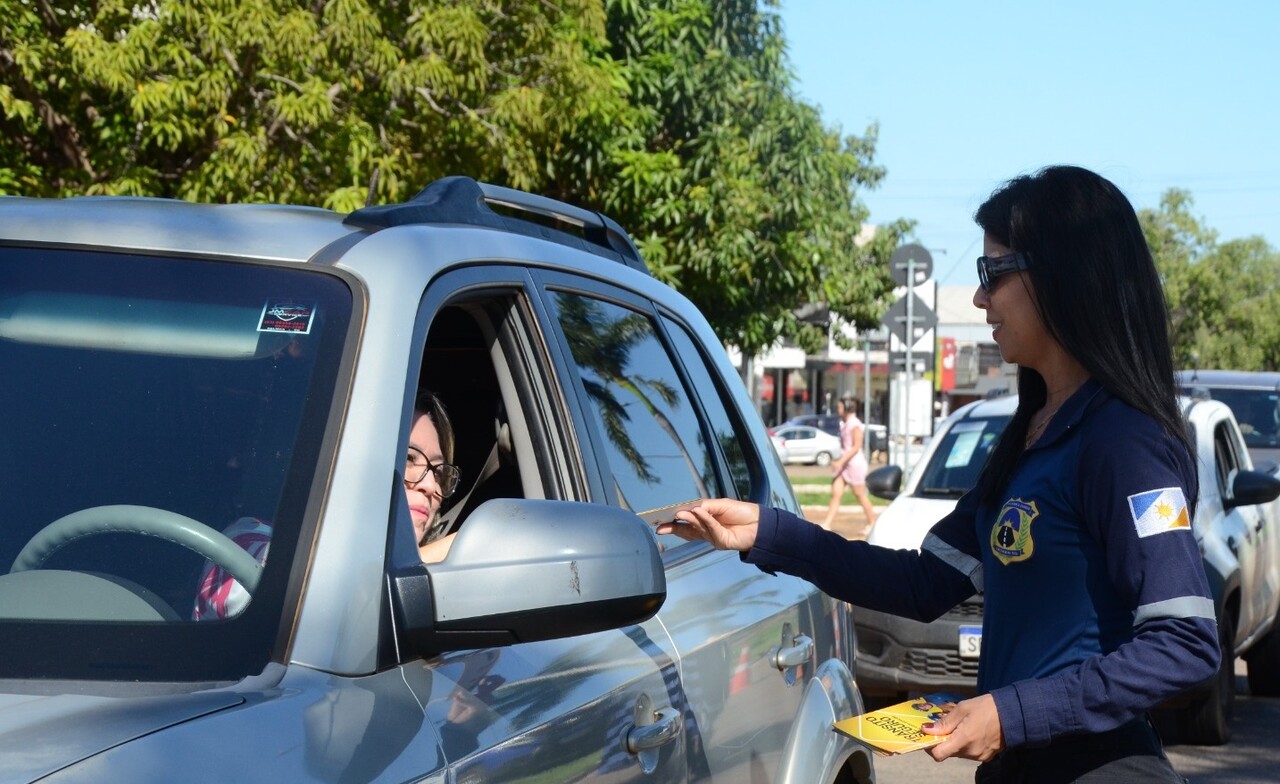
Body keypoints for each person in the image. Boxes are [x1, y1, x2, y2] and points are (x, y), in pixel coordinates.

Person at [658, 166, 1219, 783]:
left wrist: (1011, 714)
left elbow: (1185, 644)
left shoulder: (1123, 441)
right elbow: (925, 584)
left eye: (992, 274)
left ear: (1062, 276)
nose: (980, 299)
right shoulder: (1033, 435)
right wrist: (771, 533)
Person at [193, 389, 462, 620]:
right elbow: (301, 605)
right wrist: (449, 553)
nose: (430, 486)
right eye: (407, 458)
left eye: (439, 472)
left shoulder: (445, 592)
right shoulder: (249, 538)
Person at [821, 395, 877, 534]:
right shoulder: (845, 423)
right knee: (836, 493)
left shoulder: (854, 424)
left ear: (847, 408)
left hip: (854, 465)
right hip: (844, 465)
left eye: (840, 406)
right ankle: (827, 523)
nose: (837, 409)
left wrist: (840, 461)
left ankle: (872, 523)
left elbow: (856, 446)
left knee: (860, 495)